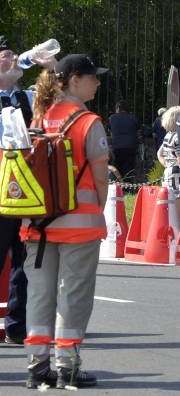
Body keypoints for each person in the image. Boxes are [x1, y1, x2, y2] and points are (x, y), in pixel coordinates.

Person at [23, 55, 110, 389]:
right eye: (93, 77)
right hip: (79, 226)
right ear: (74, 80)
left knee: (40, 294)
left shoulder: (39, 117)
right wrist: (97, 209)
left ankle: (36, 367)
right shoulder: (89, 122)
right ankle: (67, 367)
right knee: (73, 294)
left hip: (38, 224)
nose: (98, 83)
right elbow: (101, 179)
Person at [0, 41, 33, 347]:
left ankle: (16, 327)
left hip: (24, 196)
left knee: (23, 265)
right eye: (5, 55)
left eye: (13, 55)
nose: (12, 59)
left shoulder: (26, 97)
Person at [107, 102, 140, 178]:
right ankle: (129, 187)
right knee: (129, 169)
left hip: (117, 147)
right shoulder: (133, 118)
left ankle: (119, 187)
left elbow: (110, 131)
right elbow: (138, 132)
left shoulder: (112, 118)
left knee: (118, 169)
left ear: (118, 108)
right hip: (131, 147)